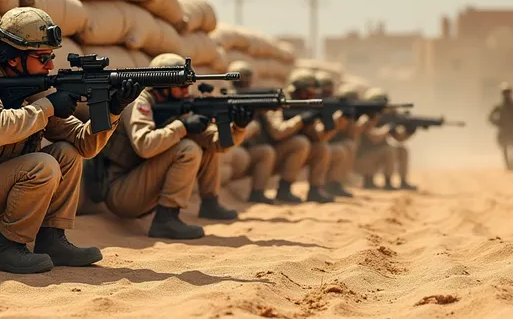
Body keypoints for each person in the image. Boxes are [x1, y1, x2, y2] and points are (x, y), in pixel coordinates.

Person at [0, 7, 142, 274]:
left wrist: (114, 108)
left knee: (66, 154)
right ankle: (7, 249)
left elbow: (85, 145)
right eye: (42, 57)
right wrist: (47, 106)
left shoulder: (28, 84)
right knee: (42, 165)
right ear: (13, 59)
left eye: (51, 57)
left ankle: (51, 240)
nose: (50, 66)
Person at [99, 53, 253, 240]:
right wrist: (183, 126)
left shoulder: (179, 103)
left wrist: (238, 127)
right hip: (122, 192)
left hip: (142, 187)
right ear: (162, 85)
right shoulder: (139, 103)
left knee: (201, 145)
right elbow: (144, 146)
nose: (187, 91)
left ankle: (209, 203)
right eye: (181, 86)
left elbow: (216, 144)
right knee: (188, 148)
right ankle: (165, 220)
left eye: (188, 85)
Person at [252, 69, 336, 203]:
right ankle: (283, 190)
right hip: (267, 155)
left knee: (321, 148)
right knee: (300, 142)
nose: (310, 96)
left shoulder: (305, 105)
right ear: (295, 90)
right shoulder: (278, 102)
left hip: (282, 156)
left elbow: (318, 138)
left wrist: (327, 124)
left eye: (313, 93)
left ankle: (315, 190)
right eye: (307, 92)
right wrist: (300, 120)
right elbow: (277, 132)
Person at [225, 60, 278, 204]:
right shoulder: (225, 100)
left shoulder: (253, 99)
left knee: (266, 151)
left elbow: (275, 132)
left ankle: (257, 193)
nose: (244, 86)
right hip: (233, 152)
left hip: (246, 151)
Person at [354, 88, 417, 190]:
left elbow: (399, 138)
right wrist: (388, 128)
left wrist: (410, 131)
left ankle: (403, 182)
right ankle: (385, 182)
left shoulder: (385, 118)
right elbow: (374, 137)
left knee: (402, 150)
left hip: (375, 157)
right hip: (361, 161)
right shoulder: (365, 119)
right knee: (388, 150)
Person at [314, 71, 354, 198]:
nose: (327, 92)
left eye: (329, 89)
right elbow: (319, 136)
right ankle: (315, 189)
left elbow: (349, 134)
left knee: (344, 147)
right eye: (323, 89)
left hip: (324, 144)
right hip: (315, 144)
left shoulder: (330, 105)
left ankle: (333, 184)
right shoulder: (312, 105)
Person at [488, 82, 513, 171]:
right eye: (505, 93)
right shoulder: (499, 106)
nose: (506, 95)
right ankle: (508, 166)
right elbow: (490, 118)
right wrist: (496, 123)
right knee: (505, 148)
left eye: (508, 93)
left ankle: (512, 165)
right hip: (504, 131)